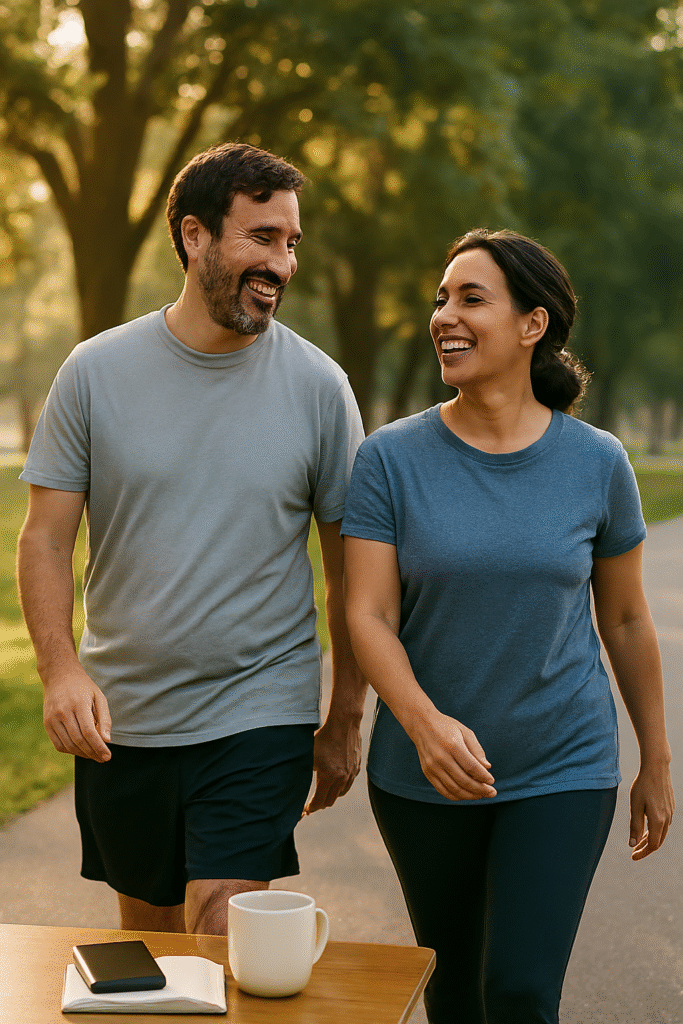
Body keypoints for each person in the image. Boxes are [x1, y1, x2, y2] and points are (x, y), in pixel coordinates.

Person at [17, 142, 366, 936]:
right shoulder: (93, 372)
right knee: (150, 948)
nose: (281, 263)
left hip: (260, 710)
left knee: (220, 932)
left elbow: (352, 572)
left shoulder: (320, 388)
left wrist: (345, 714)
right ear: (194, 235)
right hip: (124, 719)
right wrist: (59, 670)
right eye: (261, 237)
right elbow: (44, 541)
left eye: (291, 243)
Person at [341, 228, 674, 1024]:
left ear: (532, 324)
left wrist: (655, 759)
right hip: (422, 773)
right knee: (455, 993)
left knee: (520, 991)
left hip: (562, 763)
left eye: (470, 298)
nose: (444, 316)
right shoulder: (389, 459)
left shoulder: (597, 462)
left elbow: (626, 618)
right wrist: (423, 725)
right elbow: (367, 613)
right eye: (440, 299)